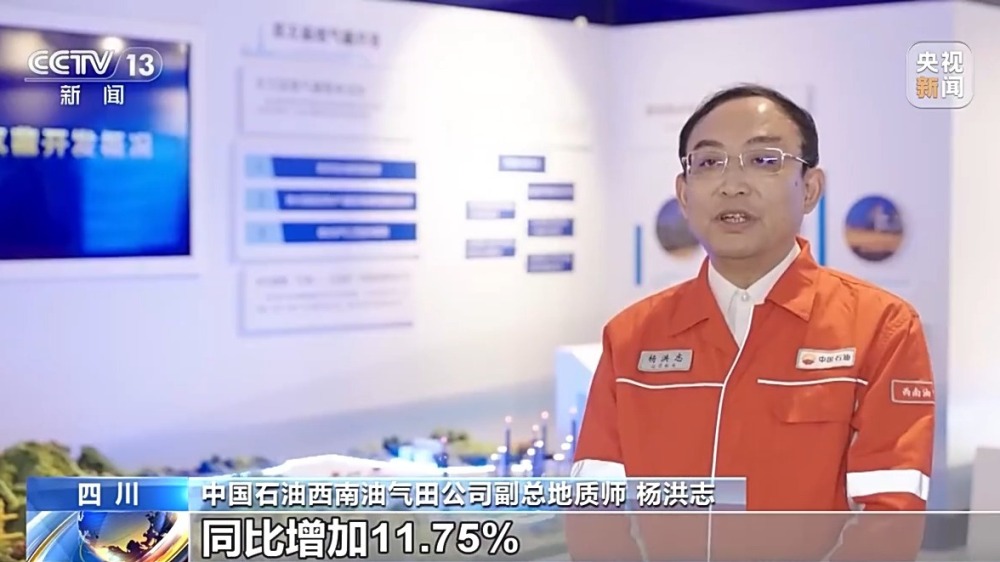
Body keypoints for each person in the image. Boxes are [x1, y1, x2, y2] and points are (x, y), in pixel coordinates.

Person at [566, 84, 934, 561]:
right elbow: (594, 505)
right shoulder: (631, 336)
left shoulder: (882, 328)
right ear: (683, 193)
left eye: (763, 160)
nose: (732, 184)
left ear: (810, 189)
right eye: (708, 162)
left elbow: (889, 516)